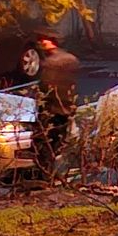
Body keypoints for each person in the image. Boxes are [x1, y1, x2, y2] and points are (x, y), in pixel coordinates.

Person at [28, 35, 80, 173]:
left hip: (53, 109)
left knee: (46, 143)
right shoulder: (69, 59)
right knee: (57, 142)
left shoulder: (52, 63)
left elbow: (46, 86)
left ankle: (44, 171)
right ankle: (50, 169)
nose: (41, 44)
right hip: (64, 107)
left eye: (43, 41)